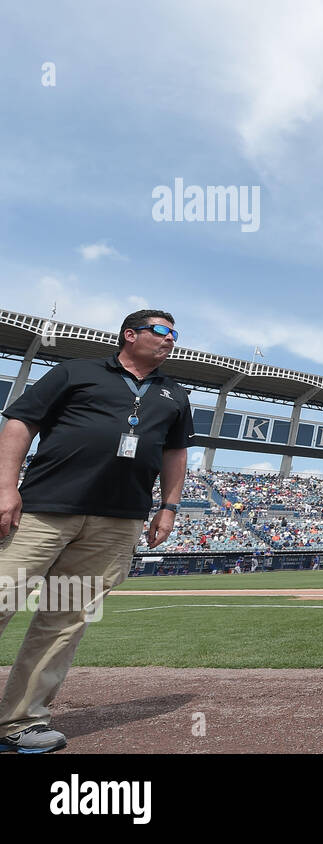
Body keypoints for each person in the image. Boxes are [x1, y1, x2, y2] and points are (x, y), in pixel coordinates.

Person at [0, 309, 193, 753]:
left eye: (174, 334)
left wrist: (168, 507)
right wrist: (7, 487)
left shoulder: (174, 394)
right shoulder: (75, 371)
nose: (170, 340)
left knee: (62, 622)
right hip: (46, 511)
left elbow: (175, 453)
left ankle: (20, 723)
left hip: (116, 521)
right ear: (130, 335)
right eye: (161, 331)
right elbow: (20, 423)